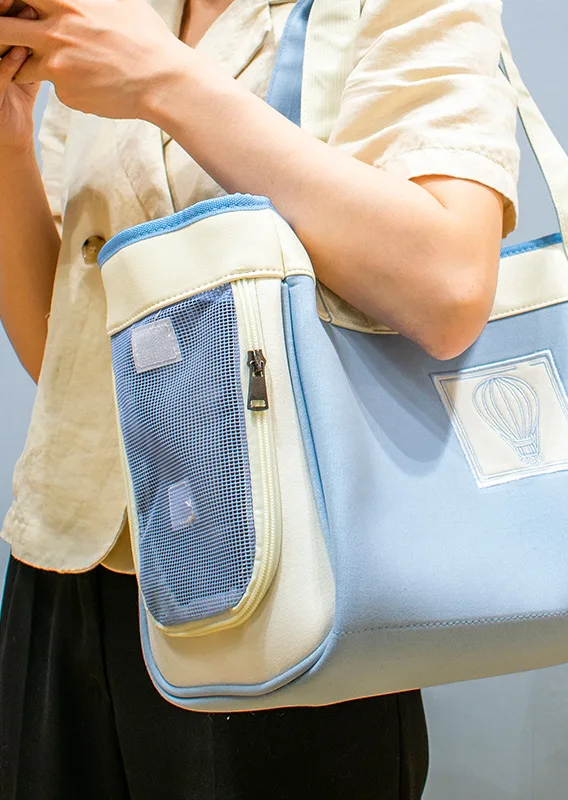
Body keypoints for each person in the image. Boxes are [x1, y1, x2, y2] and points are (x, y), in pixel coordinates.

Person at [0, 0, 521, 796]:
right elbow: (66, 366)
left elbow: (447, 288)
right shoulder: (112, 10)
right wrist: (9, 128)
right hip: (68, 564)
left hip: (287, 579)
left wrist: (159, 78)